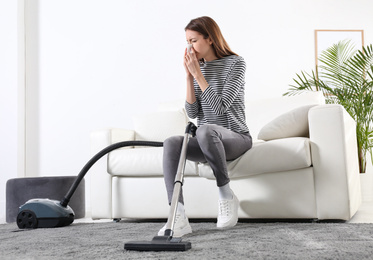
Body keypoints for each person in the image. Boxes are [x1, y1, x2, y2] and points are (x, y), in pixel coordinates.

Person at [158, 16, 252, 237]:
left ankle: (226, 195)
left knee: (206, 129)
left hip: (236, 138)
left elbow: (219, 108)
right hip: (205, 138)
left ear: (209, 38)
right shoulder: (197, 69)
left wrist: (198, 74)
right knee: (172, 142)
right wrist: (189, 77)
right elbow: (192, 113)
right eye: (187, 42)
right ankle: (177, 215)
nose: (189, 47)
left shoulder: (236, 64)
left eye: (193, 41)